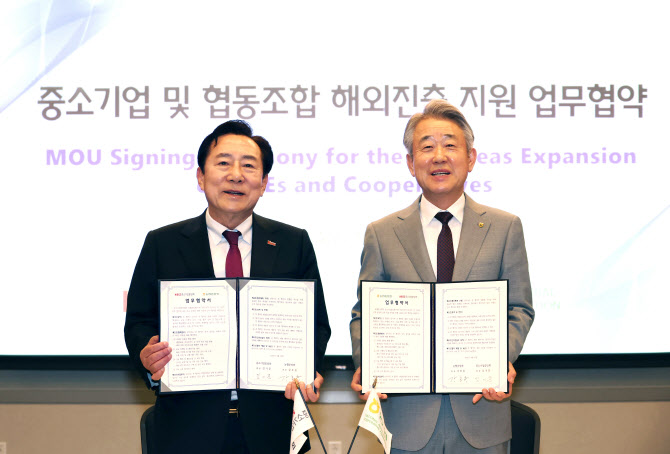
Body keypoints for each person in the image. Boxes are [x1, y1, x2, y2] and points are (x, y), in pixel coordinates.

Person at [125, 119, 331, 454]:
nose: (236, 175)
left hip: (273, 426)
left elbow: (317, 325)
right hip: (186, 427)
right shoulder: (163, 243)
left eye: (248, 166)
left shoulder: (293, 243)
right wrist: (148, 358)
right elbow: (138, 321)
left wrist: (308, 367)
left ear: (263, 183)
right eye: (223, 163)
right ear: (200, 176)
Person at [349, 100, 534, 453]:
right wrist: (367, 362)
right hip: (407, 420)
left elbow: (519, 308)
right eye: (427, 147)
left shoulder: (505, 227)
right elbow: (364, 315)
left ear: (471, 158)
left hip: (482, 413)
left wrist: (499, 360)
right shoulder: (382, 233)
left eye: (450, 145)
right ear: (410, 162)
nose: (439, 157)